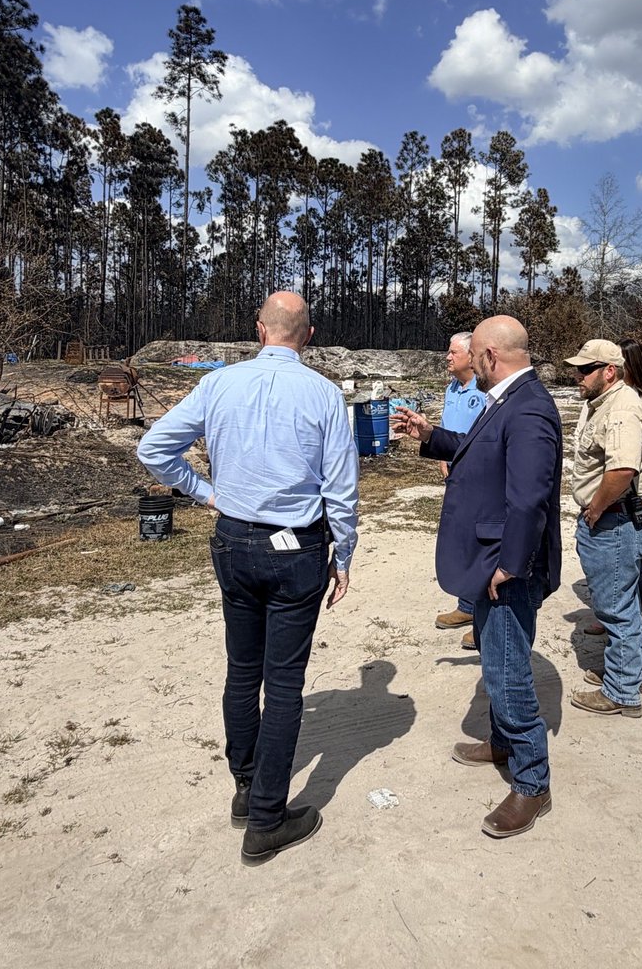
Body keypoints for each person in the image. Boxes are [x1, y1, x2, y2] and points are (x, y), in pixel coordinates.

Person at [137, 292, 358, 866]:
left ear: (260, 331)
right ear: (308, 336)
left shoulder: (218, 385)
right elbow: (340, 485)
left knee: (243, 667)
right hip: (296, 547)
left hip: (234, 539)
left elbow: (154, 447)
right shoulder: (325, 395)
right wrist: (345, 550)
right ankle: (265, 818)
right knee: (283, 683)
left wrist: (206, 492)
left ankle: (245, 785)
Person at [393, 316, 562, 839]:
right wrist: (431, 436)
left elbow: (531, 498)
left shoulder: (530, 408)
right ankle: (502, 743)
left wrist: (510, 563)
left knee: (509, 670)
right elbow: (482, 454)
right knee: (496, 658)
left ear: (488, 356)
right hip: (492, 561)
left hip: (508, 568)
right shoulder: (506, 401)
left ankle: (533, 782)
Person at [565, 339, 642, 718]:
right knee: (624, 602)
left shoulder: (621, 410)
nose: (578, 376)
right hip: (612, 515)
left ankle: (621, 692)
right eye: (579, 368)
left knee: (615, 607)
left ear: (610, 371)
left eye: (587, 369)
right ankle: (633, 674)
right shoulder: (603, 404)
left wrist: (595, 509)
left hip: (613, 517)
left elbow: (621, 472)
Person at [582, 337, 642, 634]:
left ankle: (628, 633)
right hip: (615, 497)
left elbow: (636, 458)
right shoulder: (604, 401)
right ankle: (615, 623)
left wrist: (597, 504)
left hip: (636, 499)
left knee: (632, 569)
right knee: (618, 577)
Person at [433, 331, 487, 651]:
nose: (448, 357)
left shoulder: (484, 390)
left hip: (477, 478)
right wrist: (442, 455)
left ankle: (483, 619)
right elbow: (445, 426)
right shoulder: (452, 387)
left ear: (471, 356)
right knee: (460, 542)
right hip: (453, 476)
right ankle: (466, 607)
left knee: (478, 545)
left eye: (454, 352)